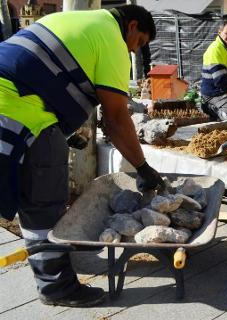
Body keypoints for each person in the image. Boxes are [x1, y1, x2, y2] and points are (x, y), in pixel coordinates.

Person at [0, 5, 165, 307]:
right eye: (138, 42)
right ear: (131, 26)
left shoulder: (74, 20)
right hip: (14, 108)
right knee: (42, 201)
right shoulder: (112, 40)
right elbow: (115, 118)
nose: (134, 49)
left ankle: (51, 265)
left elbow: (45, 73)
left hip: (15, 98)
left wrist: (65, 132)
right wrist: (143, 167)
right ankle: (56, 287)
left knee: (30, 186)